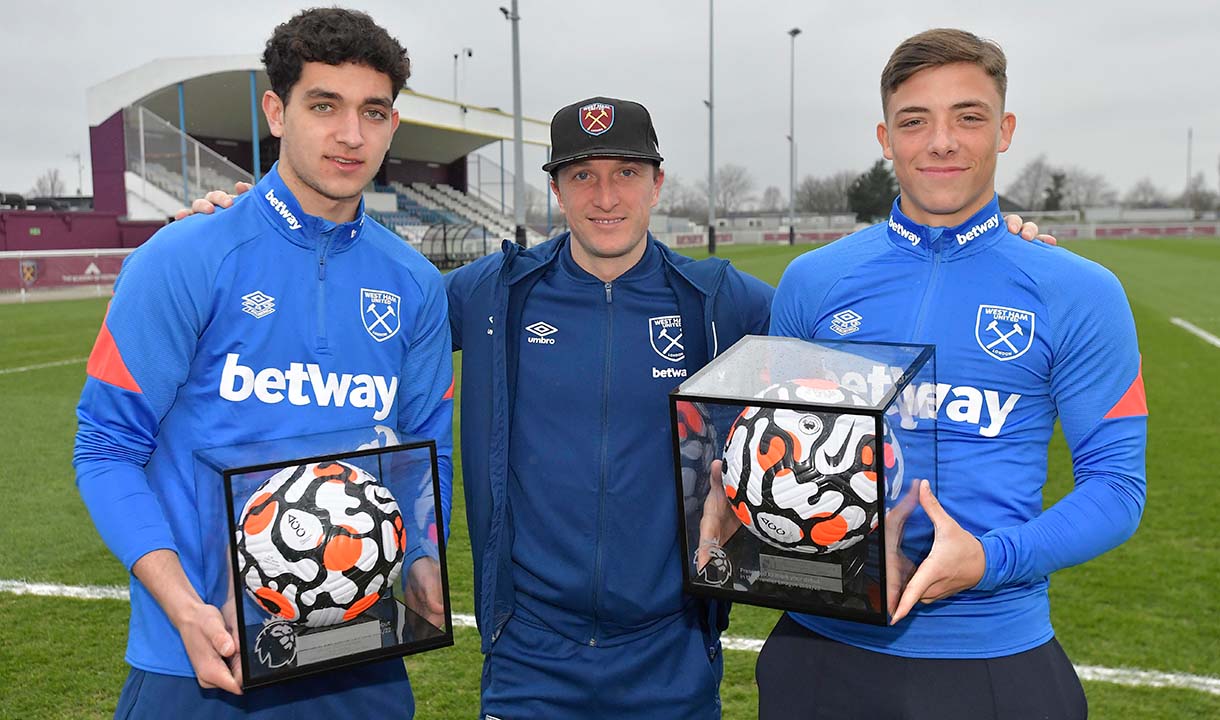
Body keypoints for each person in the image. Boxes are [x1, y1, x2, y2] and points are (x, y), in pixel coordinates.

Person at [185, 103, 1051, 720]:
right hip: (530, 654)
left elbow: (852, 335)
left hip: (670, 653)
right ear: (557, 189)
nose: (606, 196)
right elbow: (364, 304)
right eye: (584, 177)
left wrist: (992, 252)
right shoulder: (493, 295)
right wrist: (239, 220)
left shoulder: (720, 300)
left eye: (626, 174)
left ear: (656, 182)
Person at [73, 8, 452, 719]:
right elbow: (105, 447)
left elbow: (424, 453)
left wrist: (425, 555)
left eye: (373, 111)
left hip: (356, 663)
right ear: (276, 111)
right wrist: (185, 609)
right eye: (324, 106)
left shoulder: (415, 284)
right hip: (198, 662)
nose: (350, 134)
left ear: (392, 125)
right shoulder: (182, 258)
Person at [760, 28, 1147, 719]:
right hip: (820, 654)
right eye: (916, 120)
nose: (941, 141)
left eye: (968, 116)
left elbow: (1118, 489)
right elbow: (770, 452)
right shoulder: (813, 282)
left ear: (1005, 130)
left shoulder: (1081, 292)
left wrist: (990, 560)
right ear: (886, 137)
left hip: (993, 659)